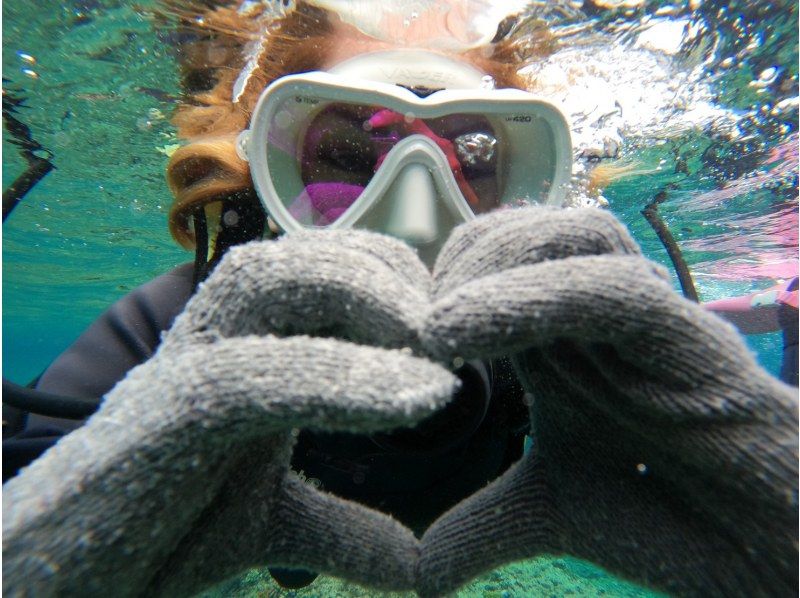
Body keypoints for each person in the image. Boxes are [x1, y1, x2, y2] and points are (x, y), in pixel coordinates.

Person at [3, 2, 797, 597]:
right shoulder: (197, 320)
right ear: (264, 171)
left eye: (475, 156)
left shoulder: (566, 324)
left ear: (535, 184)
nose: (414, 214)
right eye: (349, 154)